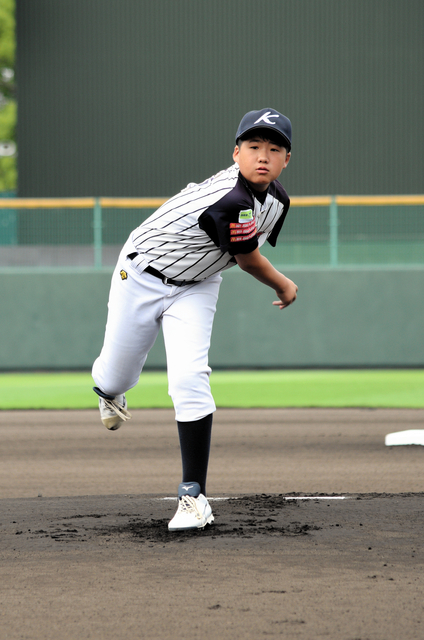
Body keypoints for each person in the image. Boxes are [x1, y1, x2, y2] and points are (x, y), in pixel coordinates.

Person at [92, 107, 298, 531]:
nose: (263, 156)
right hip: (142, 273)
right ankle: (110, 390)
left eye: (274, 149)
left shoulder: (276, 200)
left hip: (198, 283)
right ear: (236, 153)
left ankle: (193, 496)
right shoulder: (232, 198)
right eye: (254, 146)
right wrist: (283, 285)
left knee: (189, 378)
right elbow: (248, 260)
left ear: (286, 160)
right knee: (114, 377)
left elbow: (237, 251)